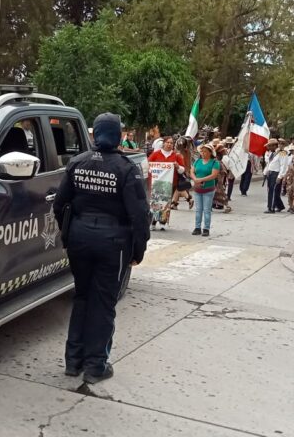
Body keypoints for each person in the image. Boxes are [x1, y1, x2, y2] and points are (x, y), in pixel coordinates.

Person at [53, 113, 149, 384]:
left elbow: (59, 205)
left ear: (95, 135)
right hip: (114, 242)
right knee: (104, 303)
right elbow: (139, 215)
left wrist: (68, 233)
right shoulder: (127, 169)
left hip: (80, 239)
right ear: (119, 136)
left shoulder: (77, 162)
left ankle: (73, 362)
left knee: (82, 297)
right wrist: (138, 251)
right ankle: (96, 365)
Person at [148, 137, 185, 230]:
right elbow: (148, 164)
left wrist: (177, 166)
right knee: (156, 202)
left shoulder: (176, 155)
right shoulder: (156, 154)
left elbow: (182, 170)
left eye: (171, 143)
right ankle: (153, 222)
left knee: (166, 203)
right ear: (163, 143)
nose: (169, 144)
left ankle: (163, 222)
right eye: (168, 142)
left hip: (169, 184)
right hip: (156, 183)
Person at [189, 144, 220, 236]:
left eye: (205, 151)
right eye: (202, 151)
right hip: (198, 189)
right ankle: (197, 227)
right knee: (198, 209)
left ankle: (206, 228)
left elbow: (213, 175)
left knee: (207, 209)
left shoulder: (215, 163)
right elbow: (192, 171)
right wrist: (195, 179)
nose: (203, 153)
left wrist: (201, 180)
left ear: (210, 153)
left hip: (208, 189)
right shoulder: (197, 161)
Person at [169, 136, 194, 210]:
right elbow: (188, 163)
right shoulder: (186, 151)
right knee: (178, 188)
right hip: (183, 171)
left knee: (178, 188)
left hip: (179, 171)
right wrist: (188, 171)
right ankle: (174, 204)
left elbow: (187, 162)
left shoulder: (177, 152)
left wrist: (187, 171)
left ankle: (188, 199)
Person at [263, 139, 287, 213]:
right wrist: (265, 172)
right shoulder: (272, 153)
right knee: (271, 191)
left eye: (270, 146)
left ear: (274, 145)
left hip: (276, 174)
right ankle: (280, 206)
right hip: (270, 173)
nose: (268, 147)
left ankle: (271, 208)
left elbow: (283, 165)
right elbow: (269, 164)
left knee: (273, 191)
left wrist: (280, 176)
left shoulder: (282, 153)